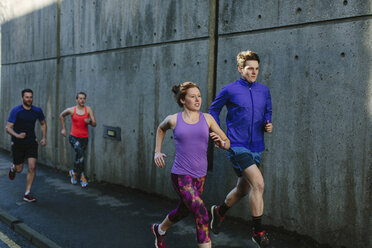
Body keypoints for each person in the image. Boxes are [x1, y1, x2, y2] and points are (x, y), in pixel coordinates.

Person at [151, 82, 230, 248]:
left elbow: (227, 142)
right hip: (181, 175)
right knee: (202, 215)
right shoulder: (173, 120)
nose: (197, 99)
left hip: (200, 176)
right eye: (192, 96)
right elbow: (160, 129)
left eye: (199, 96)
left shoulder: (207, 119)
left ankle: (160, 229)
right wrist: (157, 151)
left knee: (183, 211)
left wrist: (221, 144)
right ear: (182, 100)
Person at [208, 50, 273, 247]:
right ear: (240, 69)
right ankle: (257, 232)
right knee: (259, 185)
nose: (254, 73)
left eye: (257, 69)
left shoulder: (264, 90)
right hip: (236, 145)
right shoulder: (229, 89)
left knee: (243, 189)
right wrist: (220, 134)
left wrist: (268, 124)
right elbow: (213, 111)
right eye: (250, 69)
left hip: (257, 146)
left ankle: (219, 212)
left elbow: (267, 112)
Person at [6, 89, 47, 202]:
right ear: (22, 98)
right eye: (27, 97)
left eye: (31, 97)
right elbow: (8, 128)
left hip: (31, 142)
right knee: (19, 169)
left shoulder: (37, 111)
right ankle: (14, 167)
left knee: (32, 167)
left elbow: (43, 123)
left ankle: (27, 193)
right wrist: (17, 135)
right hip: (18, 143)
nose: (29, 99)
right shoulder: (16, 111)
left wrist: (44, 137)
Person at [60, 92, 96, 188]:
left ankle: (74, 172)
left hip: (84, 138)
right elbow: (61, 115)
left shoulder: (88, 110)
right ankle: (82, 176)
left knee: (80, 156)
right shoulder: (71, 110)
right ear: (76, 100)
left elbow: (94, 124)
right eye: (80, 98)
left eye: (84, 98)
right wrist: (63, 128)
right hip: (73, 137)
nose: (82, 100)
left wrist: (89, 122)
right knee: (80, 154)